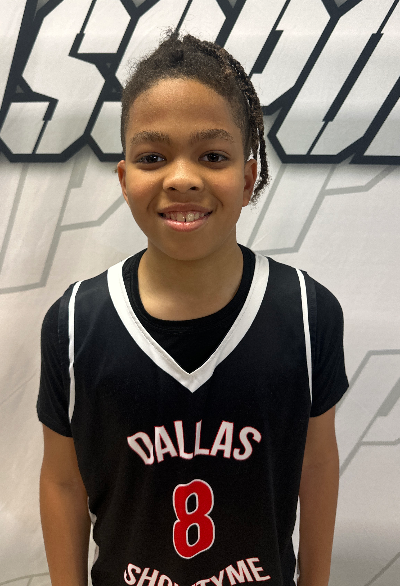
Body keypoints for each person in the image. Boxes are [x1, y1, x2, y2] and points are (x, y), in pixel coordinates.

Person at [37, 32, 348, 586]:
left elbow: (316, 463)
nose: (182, 178)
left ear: (248, 178)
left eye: (212, 156)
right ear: (125, 178)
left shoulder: (307, 312)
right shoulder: (75, 323)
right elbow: (62, 482)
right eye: (153, 157)